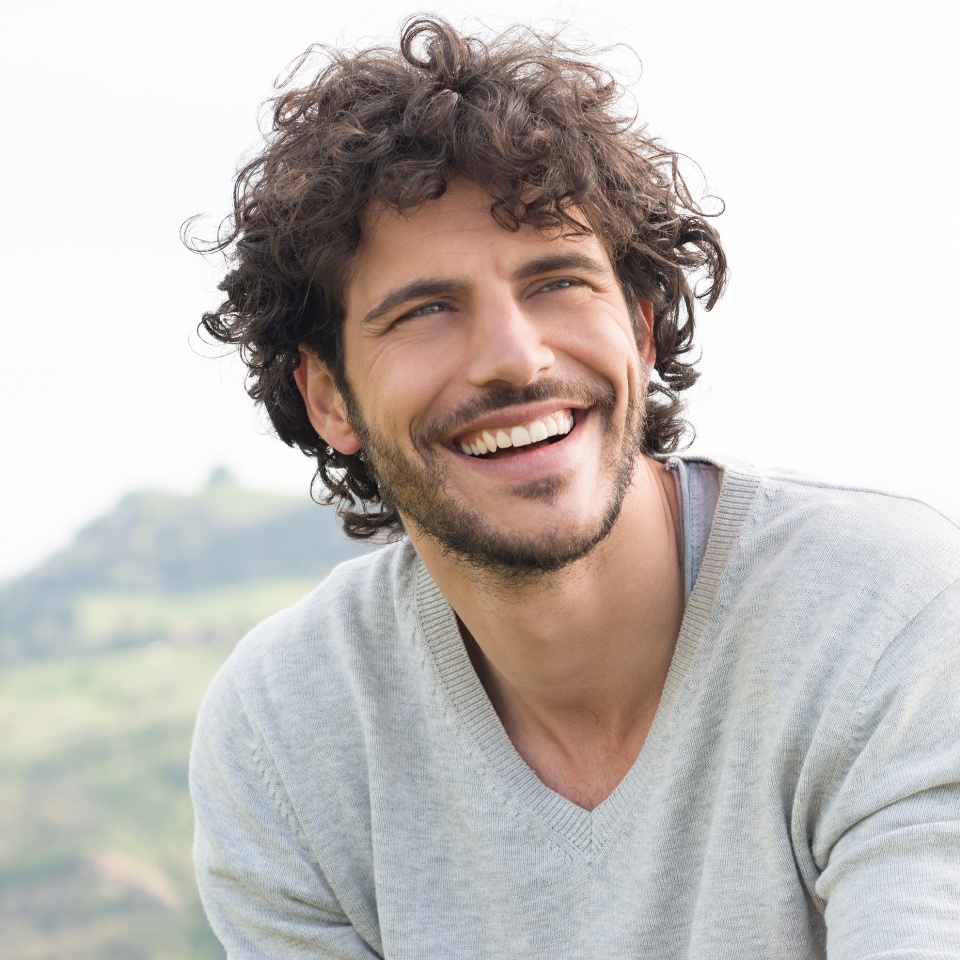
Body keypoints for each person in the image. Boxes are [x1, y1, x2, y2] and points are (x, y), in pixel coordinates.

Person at [188, 17, 960, 959]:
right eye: (427, 309)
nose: (516, 359)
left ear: (639, 330)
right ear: (327, 397)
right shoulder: (287, 735)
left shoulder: (884, 614)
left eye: (557, 281)